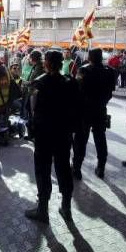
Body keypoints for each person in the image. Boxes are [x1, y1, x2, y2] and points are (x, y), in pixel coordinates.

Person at [25, 50, 78, 224]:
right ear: (62, 63)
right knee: (63, 169)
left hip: (44, 134)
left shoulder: (39, 83)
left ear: (47, 63)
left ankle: (43, 210)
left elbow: (34, 110)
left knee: (43, 170)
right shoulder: (70, 83)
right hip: (63, 134)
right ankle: (66, 207)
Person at [72, 48, 116, 179]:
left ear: (90, 57)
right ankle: (101, 167)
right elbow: (110, 93)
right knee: (100, 139)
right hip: (100, 109)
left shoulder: (83, 70)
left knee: (80, 140)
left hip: (84, 111)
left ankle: (76, 168)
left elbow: (78, 91)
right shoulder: (110, 72)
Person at [24, 50, 45, 139]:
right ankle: (31, 134)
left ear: (33, 58)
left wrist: (25, 82)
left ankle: (33, 135)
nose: (29, 59)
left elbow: (34, 81)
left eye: (30, 57)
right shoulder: (36, 66)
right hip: (32, 92)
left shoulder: (39, 67)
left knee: (33, 114)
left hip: (34, 94)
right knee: (30, 112)